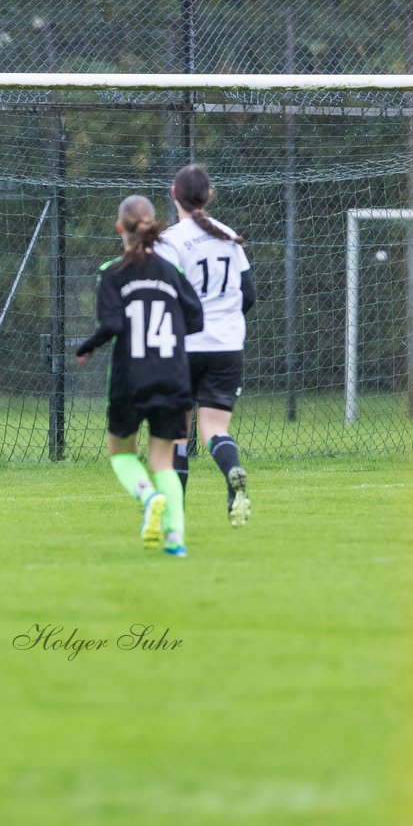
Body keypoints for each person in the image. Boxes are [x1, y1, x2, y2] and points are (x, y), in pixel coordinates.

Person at [75, 195, 204, 557]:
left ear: (120, 227)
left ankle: (149, 498)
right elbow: (195, 318)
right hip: (173, 375)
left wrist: (88, 346)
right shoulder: (170, 272)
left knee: (122, 455)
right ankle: (175, 538)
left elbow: (113, 323)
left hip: (131, 377)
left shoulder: (112, 272)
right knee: (164, 460)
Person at [156, 164, 256, 527]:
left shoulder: (170, 240)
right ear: (209, 194)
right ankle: (232, 474)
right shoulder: (228, 235)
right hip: (227, 345)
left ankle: (176, 517)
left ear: (174, 195)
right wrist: (227, 321)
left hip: (185, 346)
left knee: (177, 434)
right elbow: (248, 294)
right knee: (215, 429)